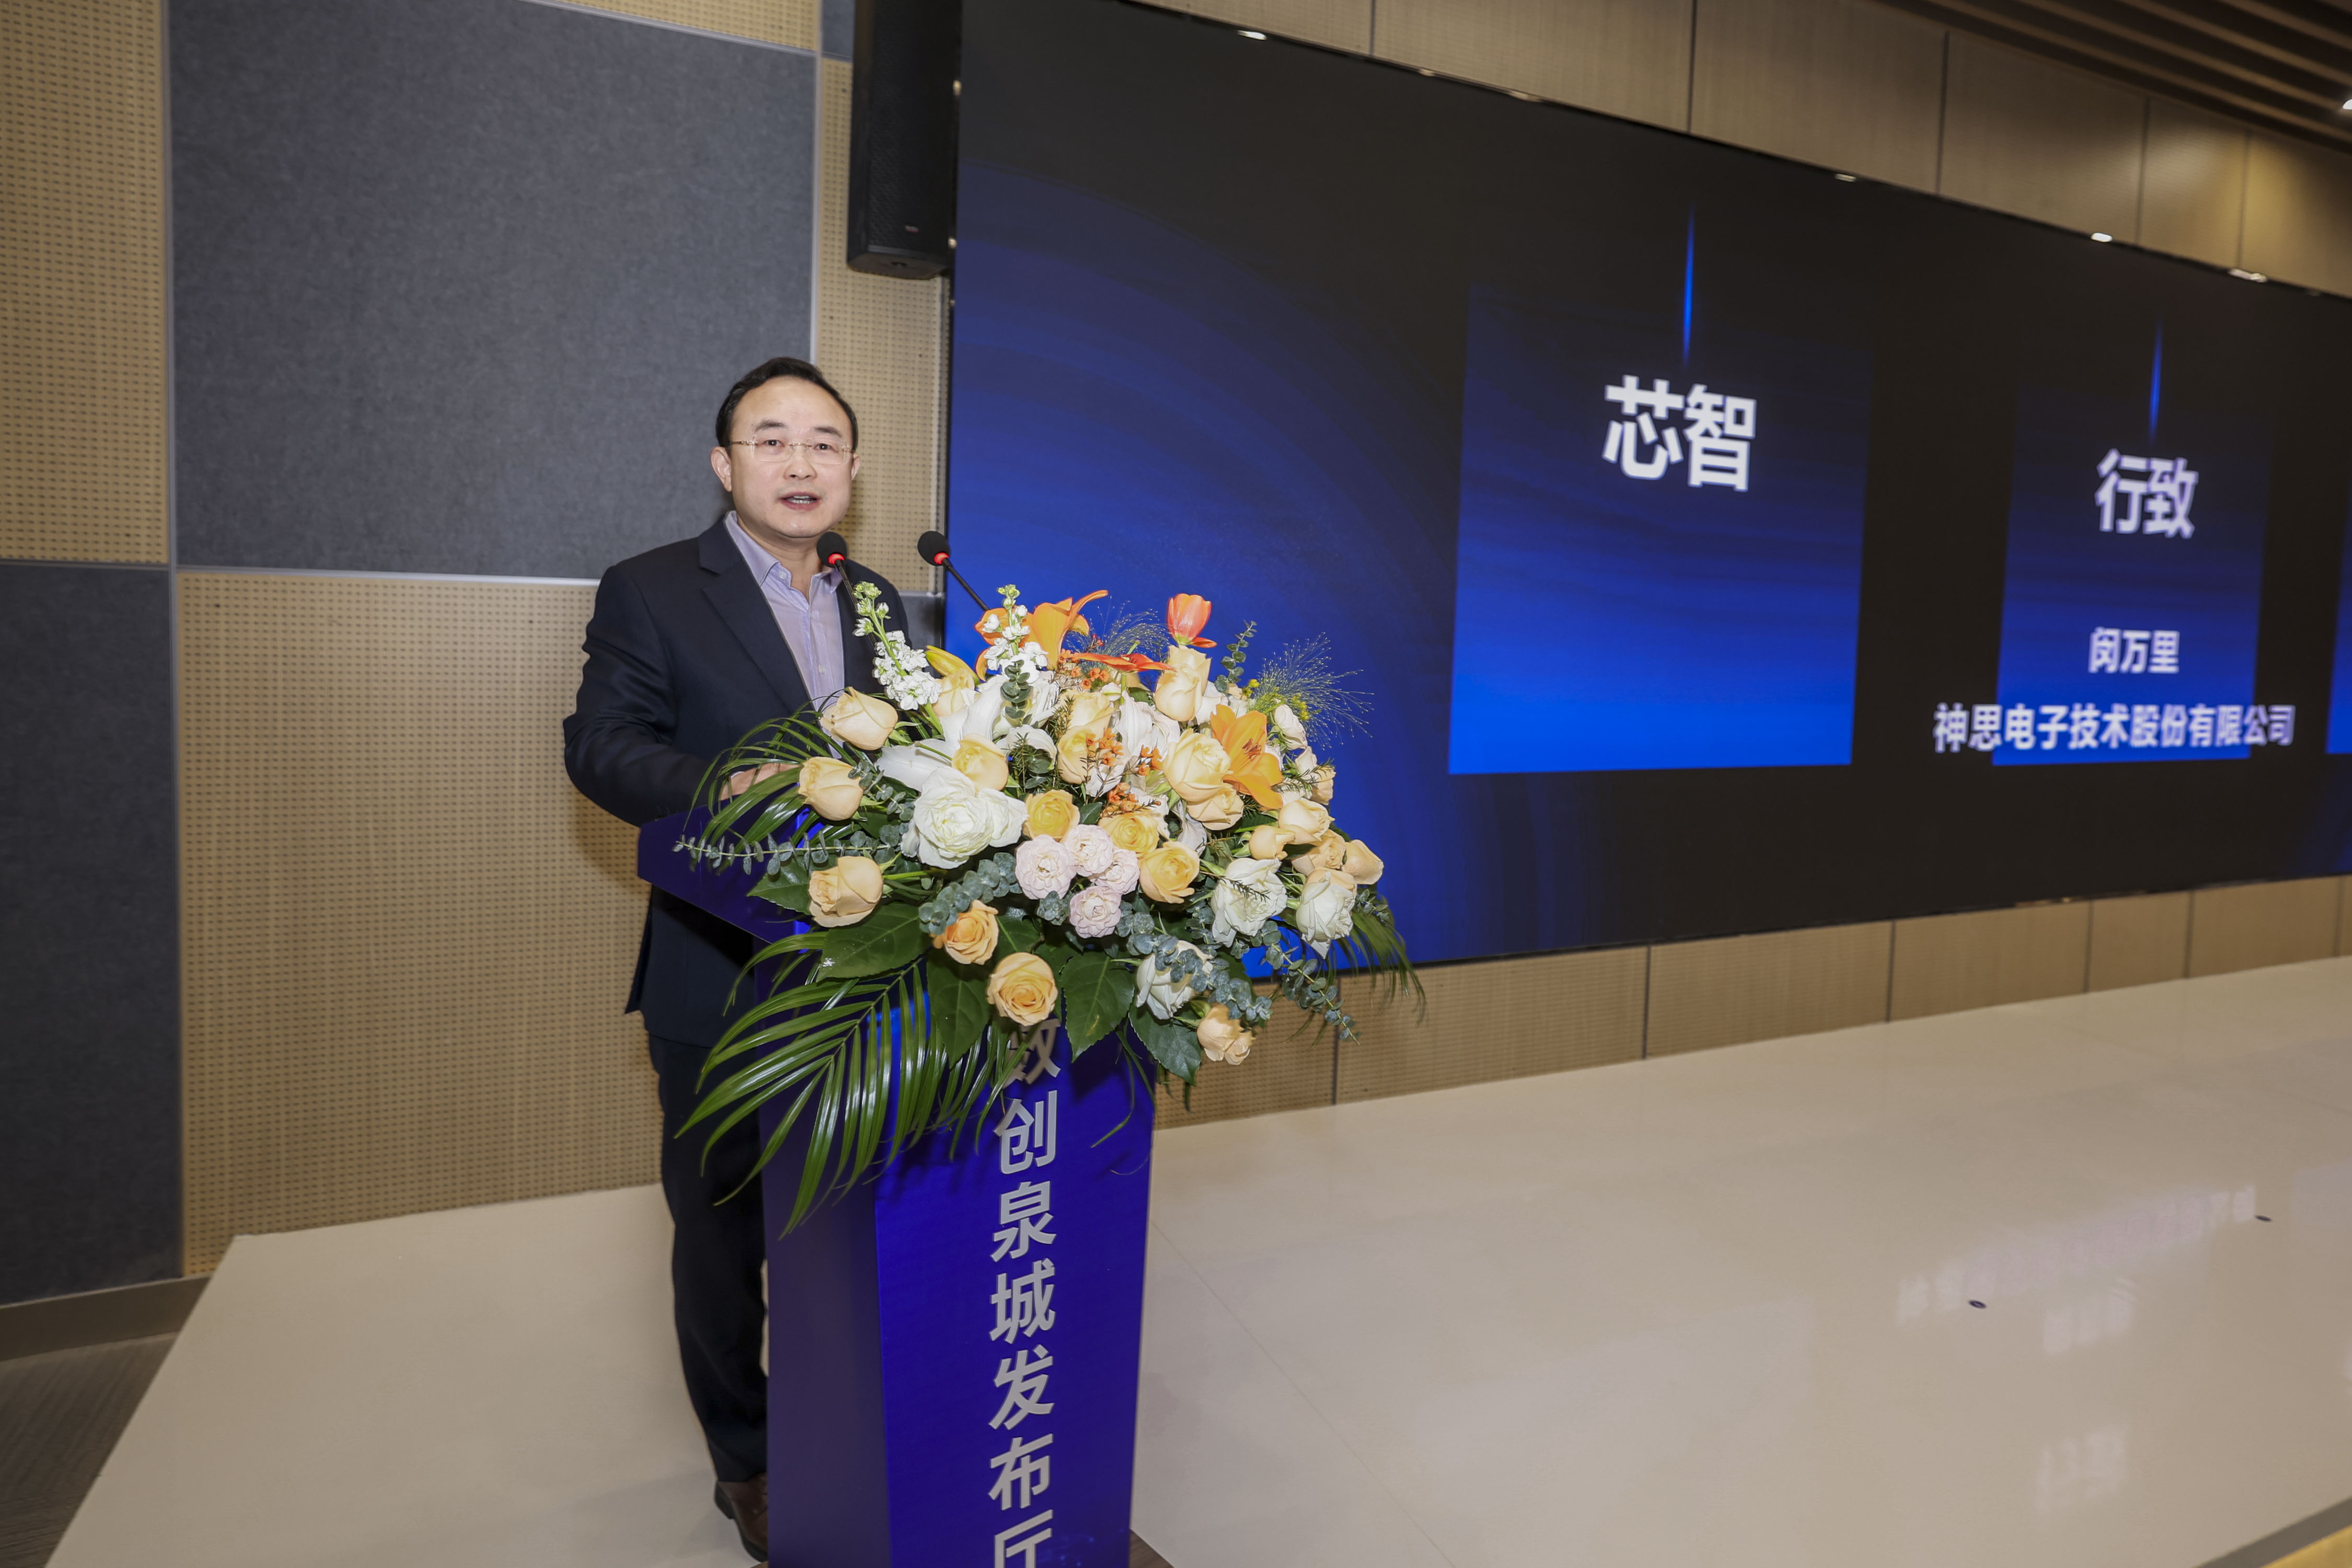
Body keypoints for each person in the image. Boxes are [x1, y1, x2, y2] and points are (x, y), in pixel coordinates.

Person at [563, 357, 910, 1564]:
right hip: (720, 968)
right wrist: (735, 782)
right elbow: (603, 749)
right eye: (772, 440)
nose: (800, 463)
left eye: (825, 442)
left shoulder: (879, 601)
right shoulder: (655, 587)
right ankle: (749, 1460)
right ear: (726, 465)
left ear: (852, 469)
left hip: (870, 973)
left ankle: (854, 1416)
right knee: (722, 1235)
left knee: (854, 1213)